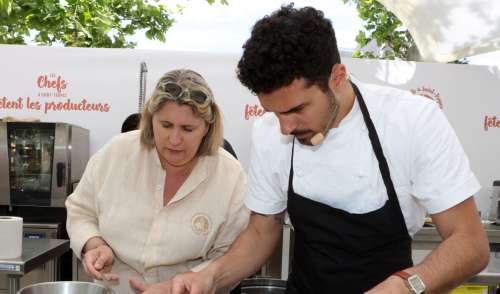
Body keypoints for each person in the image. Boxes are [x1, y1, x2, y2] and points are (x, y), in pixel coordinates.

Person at [140, 4, 490, 294]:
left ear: (338, 77)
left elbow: (470, 245)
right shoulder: (269, 134)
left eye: (296, 110)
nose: (285, 127)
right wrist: (207, 277)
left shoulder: (411, 121)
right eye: (275, 112)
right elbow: (262, 232)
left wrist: (405, 285)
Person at [65, 69, 250, 294]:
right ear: (151, 120)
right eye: (166, 125)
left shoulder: (229, 175)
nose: (174, 139)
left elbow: (230, 254)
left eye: (187, 129)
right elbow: (81, 210)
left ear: (207, 128)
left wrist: (183, 285)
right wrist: (93, 244)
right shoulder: (117, 153)